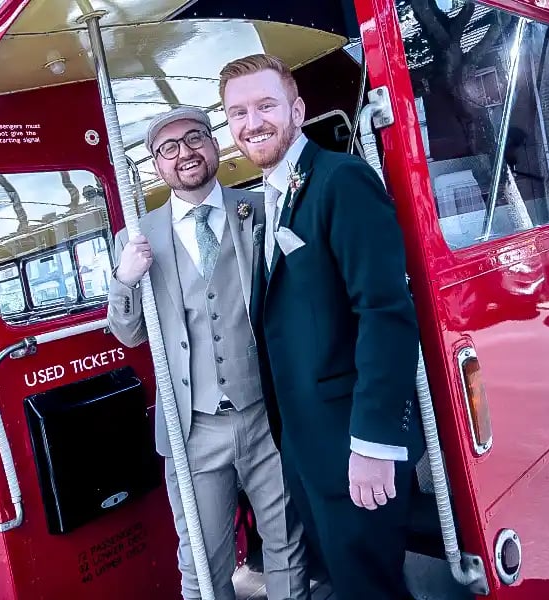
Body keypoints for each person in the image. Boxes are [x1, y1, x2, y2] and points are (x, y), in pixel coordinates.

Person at [219, 54, 425, 600]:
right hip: (305, 447)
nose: (252, 123)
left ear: (297, 108)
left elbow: (384, 311)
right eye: (237, 112)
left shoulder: (342, 179)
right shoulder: (266, 199)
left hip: (353, 443)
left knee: (370, 587)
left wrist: (375, 444)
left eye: (266, 105)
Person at [106, 106, 309, 600]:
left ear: (214, 145)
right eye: (168, 148)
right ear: (157, 165)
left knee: (288, 546)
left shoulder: (260, 210)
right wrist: (124, 279)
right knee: (201, 562)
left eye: (194, 138)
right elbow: (129, 334)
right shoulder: (136, 238)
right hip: (191, 429)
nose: (185, 153)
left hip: (266, 415)